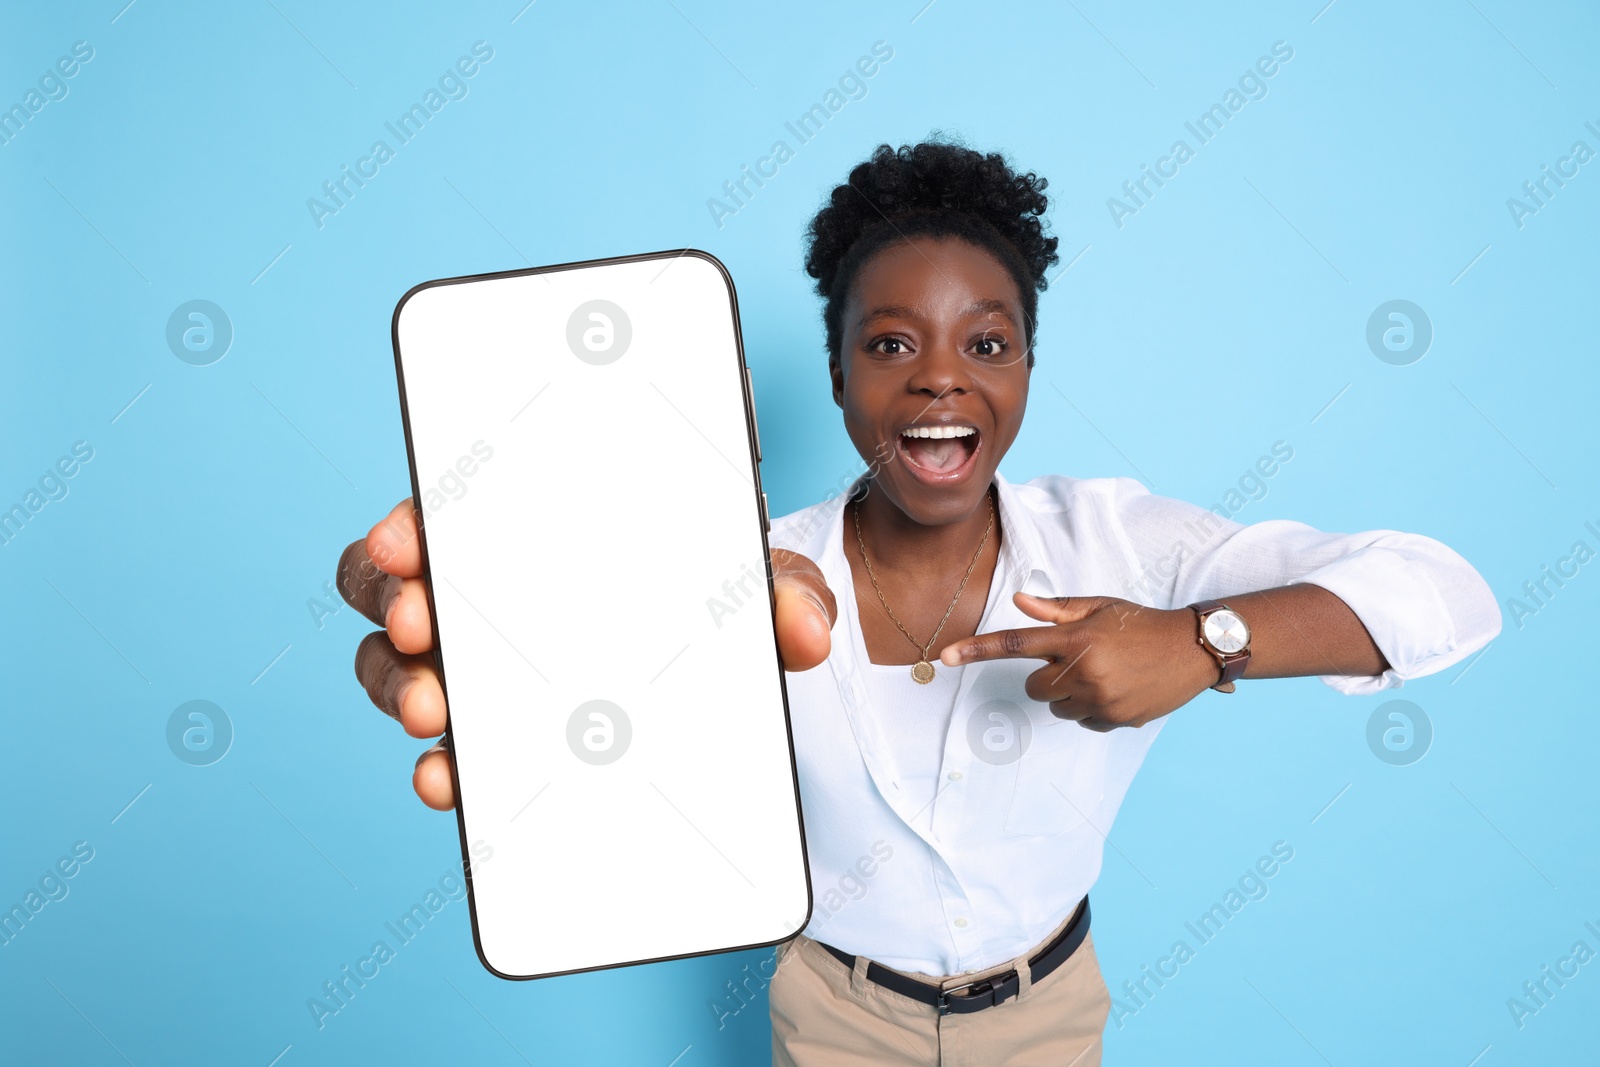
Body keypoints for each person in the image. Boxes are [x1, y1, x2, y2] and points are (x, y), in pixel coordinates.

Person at [336, 140, 1500, 1066]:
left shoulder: (1123, 543)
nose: (940, 374)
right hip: (832, 1022)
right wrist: (519, 644)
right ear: (838, 374)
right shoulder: (751, 578)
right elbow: (602, 718)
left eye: (986, 342)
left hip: (1049, 1017)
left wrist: (1204, 641)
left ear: (1025, 371)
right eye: (890, 342)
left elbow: (1441, 591)